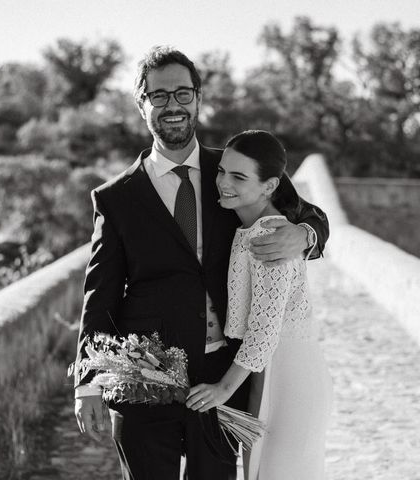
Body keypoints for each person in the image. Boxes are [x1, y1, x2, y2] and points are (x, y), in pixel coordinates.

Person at [73, 46, 329, 480]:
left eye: (182, 93)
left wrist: (304, 235)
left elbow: (311, 215)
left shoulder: (233, 170)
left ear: (198, 98)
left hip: (223, 376)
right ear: (141, 104)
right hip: (145, 379)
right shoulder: (115, 198)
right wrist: (87, 381)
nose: (172, 105)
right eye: (158, 96)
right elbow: (100, 295)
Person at [186, 130, 333, 480]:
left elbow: (263, 333)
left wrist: (222, 390)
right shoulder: (247, 227)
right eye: (222, 171)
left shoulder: (272, 238)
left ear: (269, 186)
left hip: (290, 378)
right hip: (264, 375)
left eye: (239, 177)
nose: (222, 182)